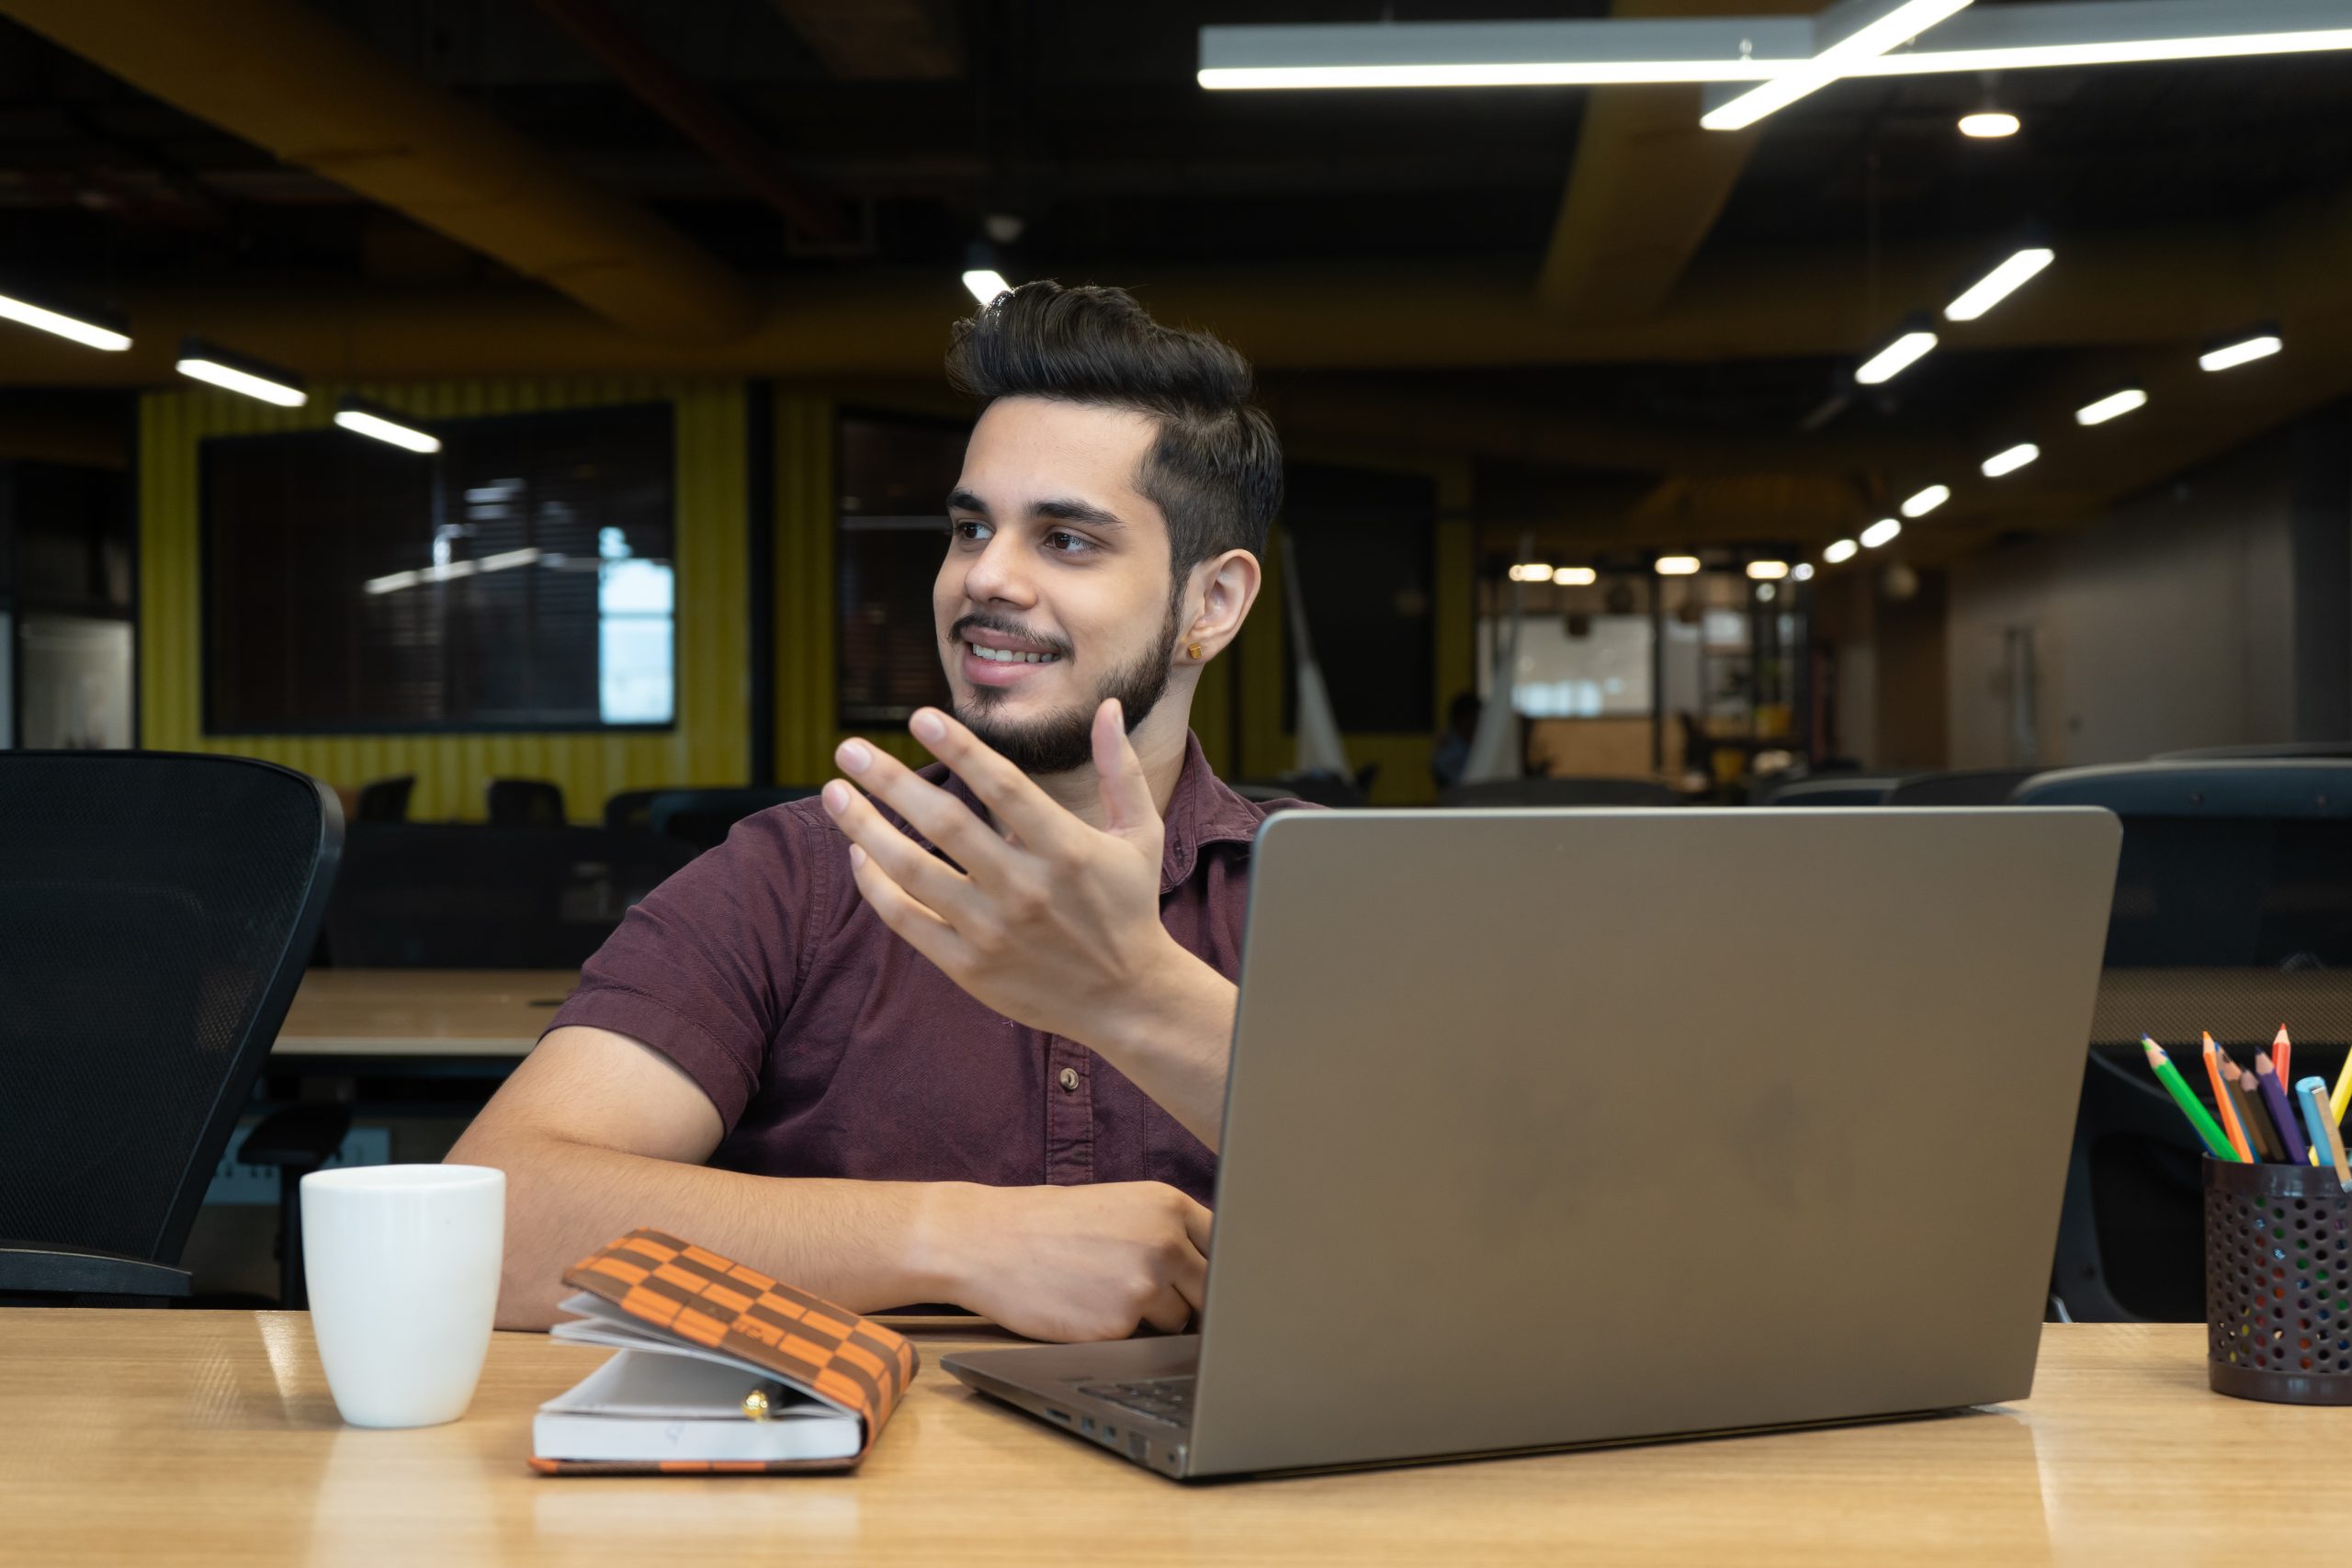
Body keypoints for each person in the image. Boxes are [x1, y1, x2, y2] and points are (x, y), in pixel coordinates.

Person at [448, 282, 1286, 1342]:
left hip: (1243, 1505)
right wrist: (952, 1239)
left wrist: (1138, 998)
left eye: (1066, 541)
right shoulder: (790, 880)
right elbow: (492, 1221)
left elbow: (1510, 1221)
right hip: (844, 1496)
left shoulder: (1329, 900)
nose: (986, 576)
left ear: (1210, 604)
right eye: (971, 526)